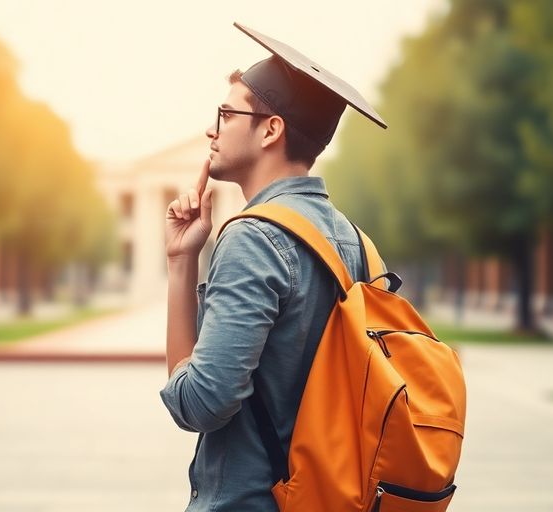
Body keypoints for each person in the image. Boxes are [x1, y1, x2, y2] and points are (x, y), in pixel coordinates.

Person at [159, 23, 388, 511]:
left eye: (225, 113)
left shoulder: (253, 238)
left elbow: (201, 403)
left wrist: (179, 270)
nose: (210, 129)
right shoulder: (353, 241)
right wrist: (185, 257)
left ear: (271, 129)